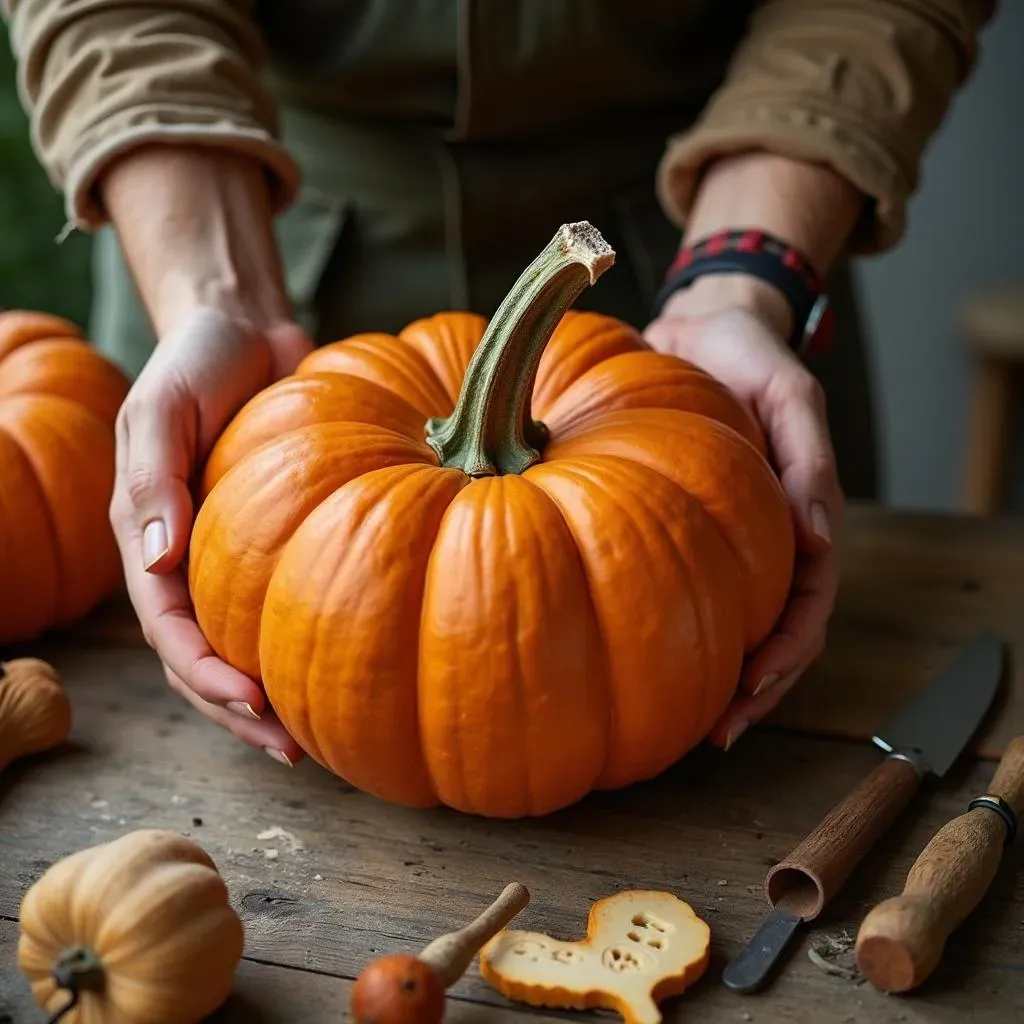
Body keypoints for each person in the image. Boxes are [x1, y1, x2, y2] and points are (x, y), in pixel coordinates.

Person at [5, 1, 996, 767]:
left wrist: (742, 285)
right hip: (245, 237)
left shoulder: (703, 390)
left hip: (715, 274)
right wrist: (209, 294)